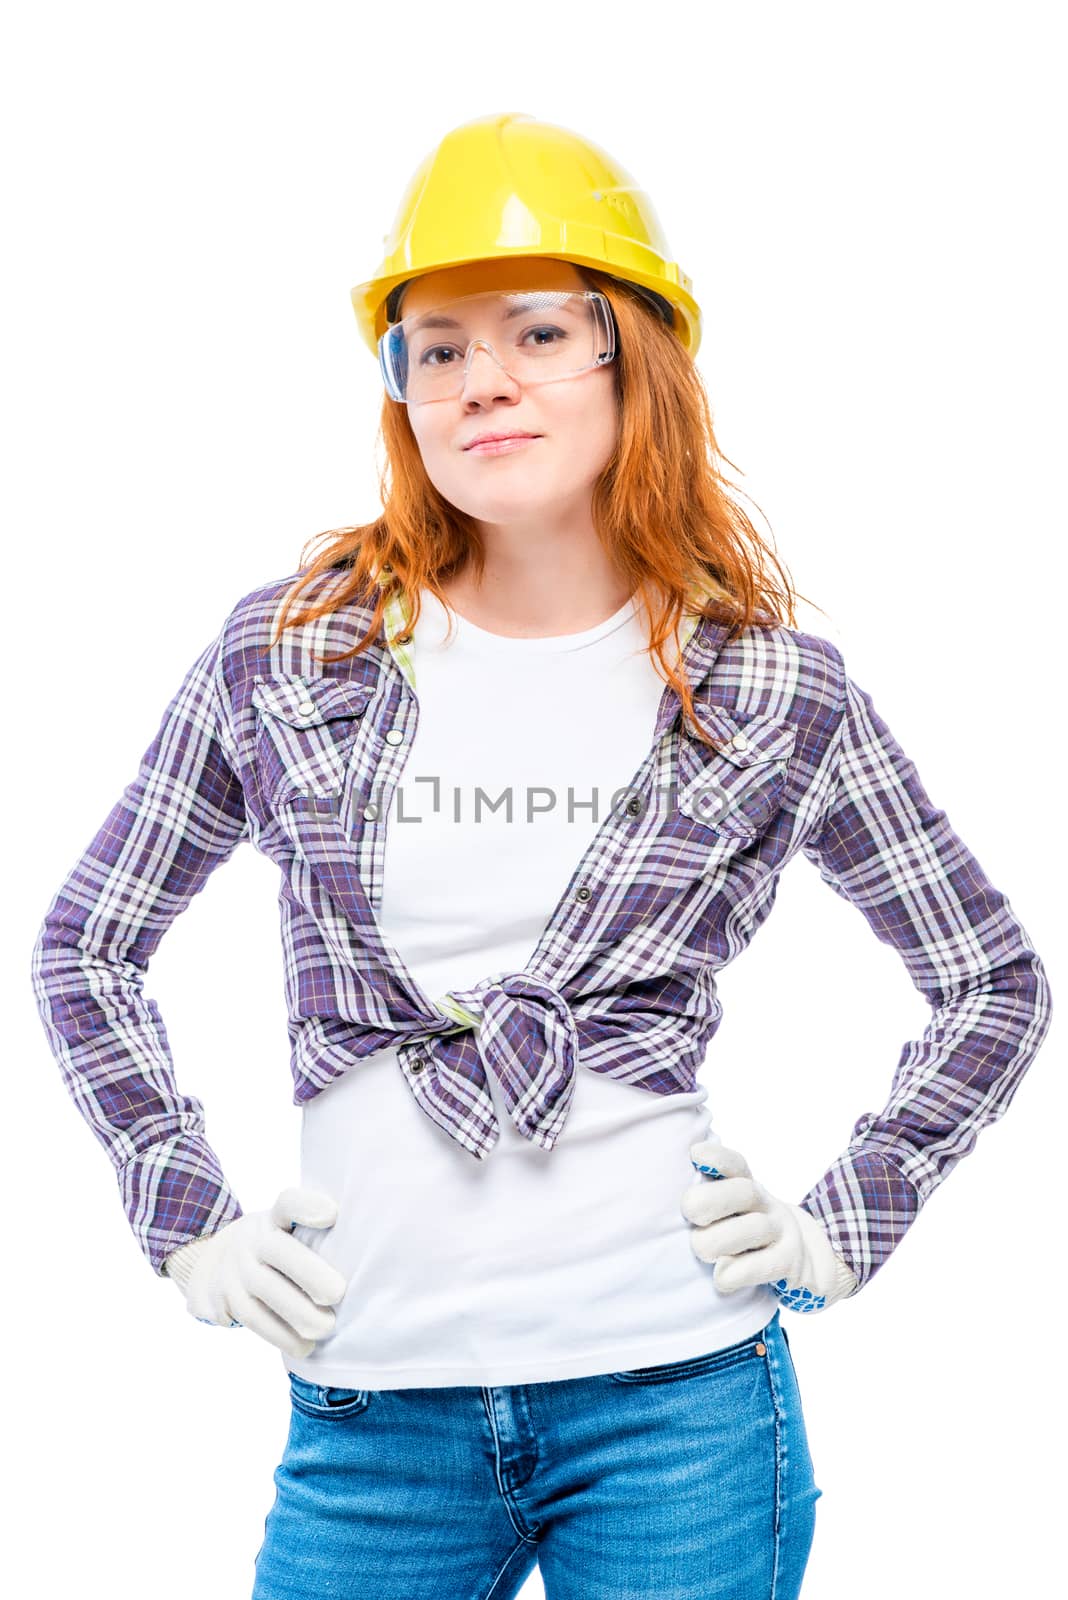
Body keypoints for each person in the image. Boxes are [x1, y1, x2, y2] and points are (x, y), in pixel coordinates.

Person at [30, 111, 1052, 1600]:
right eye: (435, 347)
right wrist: (184, 1218)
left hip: (679, 1416)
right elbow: (87, 943)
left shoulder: (769, 686)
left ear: (634, 356)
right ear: (399, 392)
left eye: (534, 333)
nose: (481, 381)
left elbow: (992, 981)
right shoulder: (288, 652)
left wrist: (844, 1222)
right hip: (369, 1422)